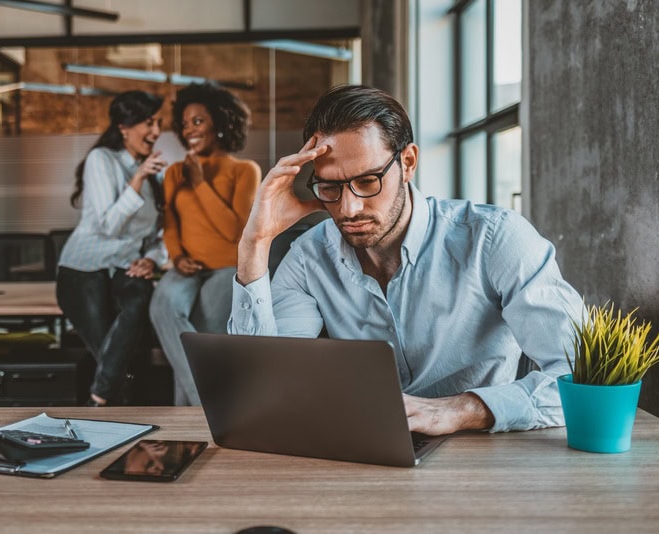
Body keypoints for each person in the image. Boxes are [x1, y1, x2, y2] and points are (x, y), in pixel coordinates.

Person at [229, 85, 584, 435]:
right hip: (365, 455)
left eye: (368, 181)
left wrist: (461, 410)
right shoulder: (309, 258)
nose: (348, 209)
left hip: (480, 456)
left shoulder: (495, 239)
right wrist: (255, 243)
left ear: (408, 162)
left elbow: (584, 377)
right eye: (330, 187)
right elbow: (266, 391)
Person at [150, 83, 261, 406]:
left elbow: (234, 231)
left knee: (201, 331)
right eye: (185, 123)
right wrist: (177, 255)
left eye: (198, 121)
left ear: (221, 123)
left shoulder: (244, 171)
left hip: (227, 267)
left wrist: (200, 184)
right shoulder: (174, 173)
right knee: (163, 306)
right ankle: (207, 406)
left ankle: (188, 426)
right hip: (186, 267)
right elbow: (170, 223)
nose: (189, 130)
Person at [56, 90, 168, 407]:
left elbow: (159, 233)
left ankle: (99, 399)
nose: (156, 132)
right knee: (111, 352)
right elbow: (109, 225)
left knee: (139, 300)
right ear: (124, 126)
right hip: (83, 269)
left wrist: (151, 258)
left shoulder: (152, 173)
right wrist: (137, 180)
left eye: (158, 123)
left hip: (124, 267)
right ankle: (110, 405)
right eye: (149, 123)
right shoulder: (101, 159)